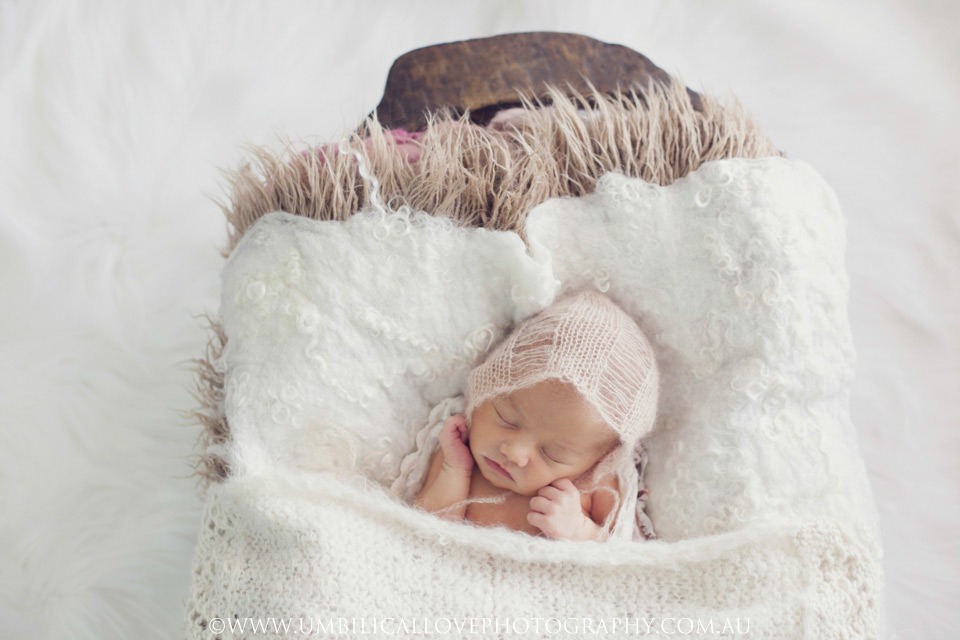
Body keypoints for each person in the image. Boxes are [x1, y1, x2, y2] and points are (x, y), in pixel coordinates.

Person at [413, 289, 660, 541]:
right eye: (506, 419)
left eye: (552, 453)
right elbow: (424, 532)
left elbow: (624, 557)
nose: (514, 452)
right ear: (483, 392)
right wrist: (454, 471)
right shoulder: (458, 455)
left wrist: (579, 531)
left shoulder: (596, 485)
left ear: (600, 460)